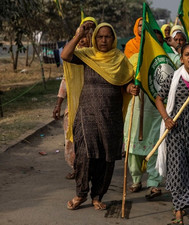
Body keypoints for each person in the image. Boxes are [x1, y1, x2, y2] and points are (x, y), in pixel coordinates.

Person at [61, 23, 134, 210]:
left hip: (111, 116)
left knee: (106, 158)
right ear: (94, 39)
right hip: (87, 114)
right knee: (84, 156)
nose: (103, 40)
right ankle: (81, 194)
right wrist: (79, 35)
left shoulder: (120, 60)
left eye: (107, 36)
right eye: (100, 37)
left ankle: (97, 195)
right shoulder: (88, 56)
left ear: (113, 38)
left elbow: (125, 83)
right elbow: (65, 55)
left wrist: (130, 88)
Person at [124, 29, 180, 199]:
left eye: (157, 42)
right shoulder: (135, 59)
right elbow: (123, 80)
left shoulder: (171, 60)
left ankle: (153, 183)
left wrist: (176, 46)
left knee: (156, 146)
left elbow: (186, 67)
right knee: (133, 149)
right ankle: (135, 179)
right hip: (137, 109)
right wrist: (129, 87)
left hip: (158, 110)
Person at [155, 43, 189, 225]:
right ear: (182, 58)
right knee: (177, 167)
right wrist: (166, 118)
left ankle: (181, 202)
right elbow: (159, 98)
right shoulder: (174, 77)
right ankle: (178, 211)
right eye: (187, 54)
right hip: (175, 129)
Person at [53, 17, 97, 180]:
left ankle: (89, 168)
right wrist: (58, 104)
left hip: (93, 106)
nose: (85, 39)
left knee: (90, 140)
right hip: (73, 106)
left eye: (90, 35)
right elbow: (65, 81)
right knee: (71, 139)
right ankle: (76, 166)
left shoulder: (98, 57)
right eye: (83, 34)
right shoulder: (73, 56)